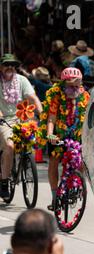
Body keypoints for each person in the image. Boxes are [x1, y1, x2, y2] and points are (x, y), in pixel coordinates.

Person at [37, 68, 89, 210]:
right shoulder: (56, 95)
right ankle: (55, 197)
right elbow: (51, 118)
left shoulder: (84, 96)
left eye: (77, 85)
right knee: (54, 160)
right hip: (58, 135)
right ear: (64, 84)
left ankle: (77, 186)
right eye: (71, 86)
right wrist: (50, 134)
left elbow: (88, 118)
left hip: (76, 135)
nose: (75, 89)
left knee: (80, 161)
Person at [0, 54, 42, 199]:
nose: (10, 67)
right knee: (10, 146)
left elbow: (33, 98)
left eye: (13, 64)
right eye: (6, 64)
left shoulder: (22, 80)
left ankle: (26, 160)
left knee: (32, 138)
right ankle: (4, 182)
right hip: (3, 120)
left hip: (22, 118)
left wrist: (42, 114)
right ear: (1, 67)